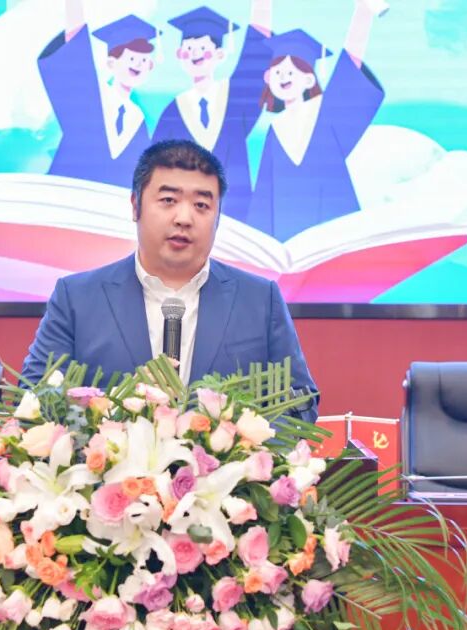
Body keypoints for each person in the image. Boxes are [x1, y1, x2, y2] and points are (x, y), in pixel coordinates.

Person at [21, 139, 318, 423]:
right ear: (135, 205)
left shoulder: (259, 299)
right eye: (168, 200)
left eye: (201, 205)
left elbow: (299, 405)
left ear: (218, 217)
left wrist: (242, 445)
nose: (184, 218)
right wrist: (113, 418)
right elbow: (34, 401)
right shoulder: (77, 298)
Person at [245, 0, 385, 242]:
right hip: (287, 237)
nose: (283, 77)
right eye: (277, 72)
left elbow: (348, 68)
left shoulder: (324, 112)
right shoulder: (276, 128)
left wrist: (362, 13)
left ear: (309, 80)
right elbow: (265, 195)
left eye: (291, 72)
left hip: (332, 231)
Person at [152, 3, 273, 224]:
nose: (195, 55)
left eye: (202, 49)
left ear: (220, 55)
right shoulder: (172, 112)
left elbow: (256, 54)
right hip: (182, 219)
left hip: (235, 216)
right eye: (188, 49)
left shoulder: (236, 95)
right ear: (179, 55)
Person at [38, 1, 158, 187]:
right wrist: (74, 7)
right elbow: (76, 54)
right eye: (132, 58)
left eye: (144, 60)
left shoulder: (136, 118)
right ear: (111, 63)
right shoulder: (93, 94)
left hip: (110, 200)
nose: (138, 64)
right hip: (67, 190)